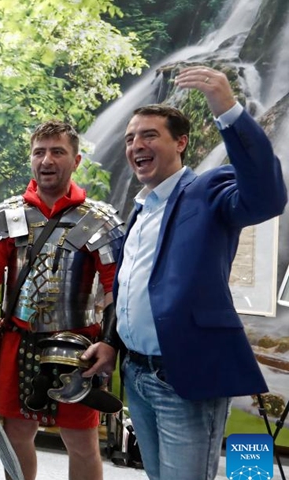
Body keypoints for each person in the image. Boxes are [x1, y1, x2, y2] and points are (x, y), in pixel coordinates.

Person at [104, 66, 287, 480]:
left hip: (183, 376)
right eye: (130, 137)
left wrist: (228, 111)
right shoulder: (141, 208)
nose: (136, 145)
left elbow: (266, 196)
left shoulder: (209, 190)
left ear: (181, 142)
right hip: (137, 374)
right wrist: (112, 344)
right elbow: (133, 289)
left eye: (149, 135)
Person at [0, 121, 123, 480]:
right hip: (19, 340)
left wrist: (109, 343)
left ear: (75, 160)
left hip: (77, 345)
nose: (47, 160)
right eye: (39, 151)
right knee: (17, 435)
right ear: (30, 158)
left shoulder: (98, 220)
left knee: (80, 441)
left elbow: (113, 290)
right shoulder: (7, 216)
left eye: (57, 151)